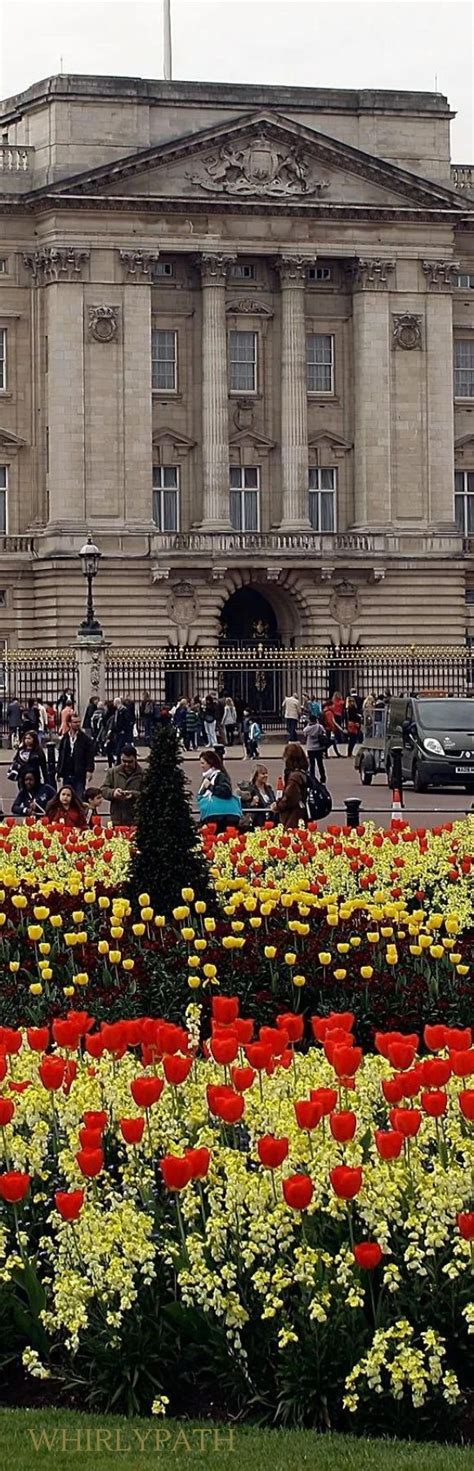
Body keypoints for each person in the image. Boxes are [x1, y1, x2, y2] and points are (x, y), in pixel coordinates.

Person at [196, 749, 241, 832]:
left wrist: (210, 787)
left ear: (210, 764)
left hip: (221, 817)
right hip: (215, 816)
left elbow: (226, 792)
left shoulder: (220, 776)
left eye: (203, 763)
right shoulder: (209, 777)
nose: (201, 766)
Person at [101, 744, 145, 826]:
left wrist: (133, 795)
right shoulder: (113, 772)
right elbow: (103, 790)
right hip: (117, 818)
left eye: (130, 762)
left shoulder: (143, 774)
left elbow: (148, 794)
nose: (126, 764)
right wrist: (113, 793)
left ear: (135, 759)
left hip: (135, 819)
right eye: (124, 761)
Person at [57, 712, 95, 798]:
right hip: (67, 772)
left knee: (79, 796)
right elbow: (61, 755)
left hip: (79, 772)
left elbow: (90, 755)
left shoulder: (85, 739)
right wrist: (59, 771)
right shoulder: (65, 738)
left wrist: (89, 770)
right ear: (69, 723)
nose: (78, 724)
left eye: (79, 722)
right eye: (75, 722)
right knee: (67, 796)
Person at [275, 743, 308, 830]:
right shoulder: (303, 772)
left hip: (294, 816)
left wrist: (278, 806)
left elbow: (289, 797)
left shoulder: (294, 777)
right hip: (302, 813)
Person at [302, 710, 328, 783]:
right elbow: (324, 732)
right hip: (319, 747)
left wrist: (308, 724)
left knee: (312, 764)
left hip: (311, 748)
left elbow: (304, 732)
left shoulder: (308, 728)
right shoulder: (319, 726)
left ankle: (312, 777)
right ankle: (323, 777)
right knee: (320, 764)